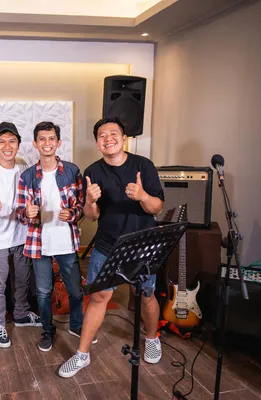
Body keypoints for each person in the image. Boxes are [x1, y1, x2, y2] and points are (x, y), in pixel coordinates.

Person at [58, 117, 165, 378]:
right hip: (107, 245)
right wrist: (91, 201)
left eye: (113, 133)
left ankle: (152, 338)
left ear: (124, 137)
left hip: (142, 244)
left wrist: (142, 196)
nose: (108, 138)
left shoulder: (144, 165)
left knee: (146, 294)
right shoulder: (92, 171)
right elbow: (92, 215)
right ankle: (82, 354)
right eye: (102, 135)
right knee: (98, 297)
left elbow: (157, 207)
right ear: (97, 143)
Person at [15, 121, 86, 352]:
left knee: (75, 289)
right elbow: (19, 211)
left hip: (66, 240)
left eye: (51, 138)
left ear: (58, 143)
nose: (47, 143)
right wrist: (27, 213)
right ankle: (47, 329)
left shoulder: (72, 171)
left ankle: (76, 325)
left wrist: (72, 213)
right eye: (42, 139)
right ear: (35, 144)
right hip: (39, 242)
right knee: (43, 292)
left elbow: (81, 205)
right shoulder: (27, 176)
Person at [0, 122, 42, 348]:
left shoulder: (23, 167)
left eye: (12, 141)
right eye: (1, 141)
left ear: (18, 144)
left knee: (22, 279)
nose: (7, 146)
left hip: (21, 235)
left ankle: (21, 314)